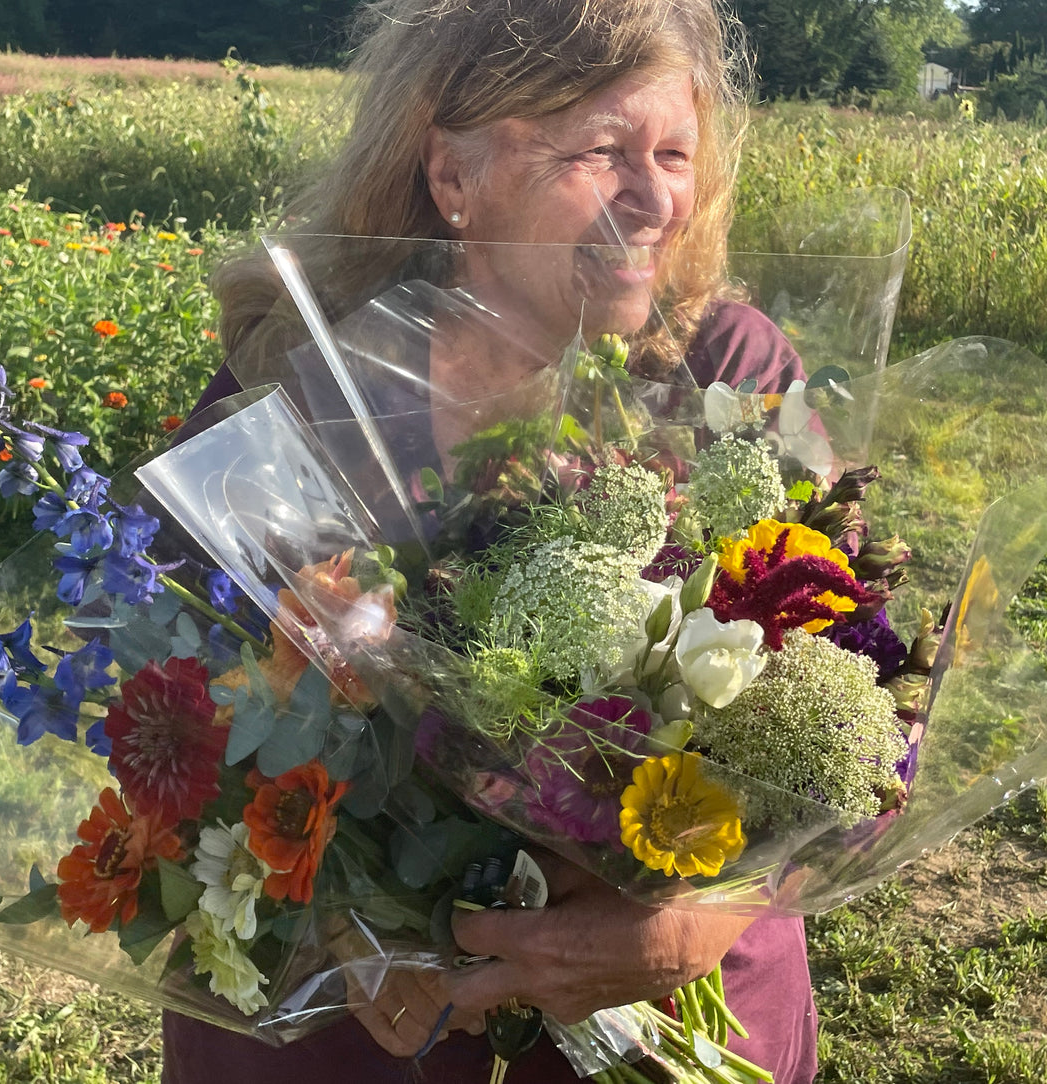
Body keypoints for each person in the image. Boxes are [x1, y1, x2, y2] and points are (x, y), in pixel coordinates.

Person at [163, 0, 819, 1080]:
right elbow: (159, 680)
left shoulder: (730, 375)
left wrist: (703, 913)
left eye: (671, 152)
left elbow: (864, 708)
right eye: (597, 151)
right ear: (450, 176)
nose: (653, 198)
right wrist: (341, 926)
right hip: (356, 1027)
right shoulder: (302, 371)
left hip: (659, 1022)